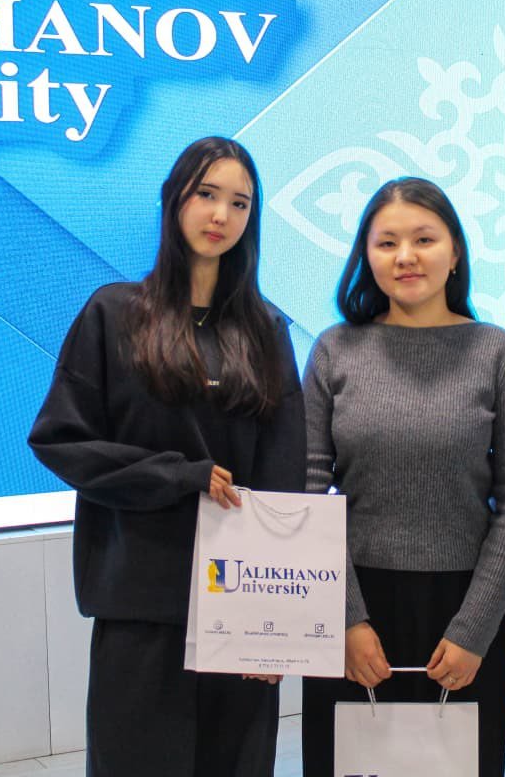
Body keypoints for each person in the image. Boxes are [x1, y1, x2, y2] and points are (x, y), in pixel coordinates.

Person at [27, 137, 306, 777]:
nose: (221, 215)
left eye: (240, 202)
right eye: (206, 194)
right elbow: (59, 439)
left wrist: (279, 626)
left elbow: (286, 480)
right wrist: (178, 476)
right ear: (174, 199)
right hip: (141, 600)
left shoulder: (267, 331)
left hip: (240, 606)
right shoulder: (113, 314)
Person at [299, 177, 505, 777]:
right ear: (366, 256)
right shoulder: (333, 351)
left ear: (454, 251)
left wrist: (475, 628)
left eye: (424, 239)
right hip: (352, 606)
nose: (405, 256)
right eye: (387, 243)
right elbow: (308, 492)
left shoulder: (495, 353)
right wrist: (346, 620)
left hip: (465, 610)